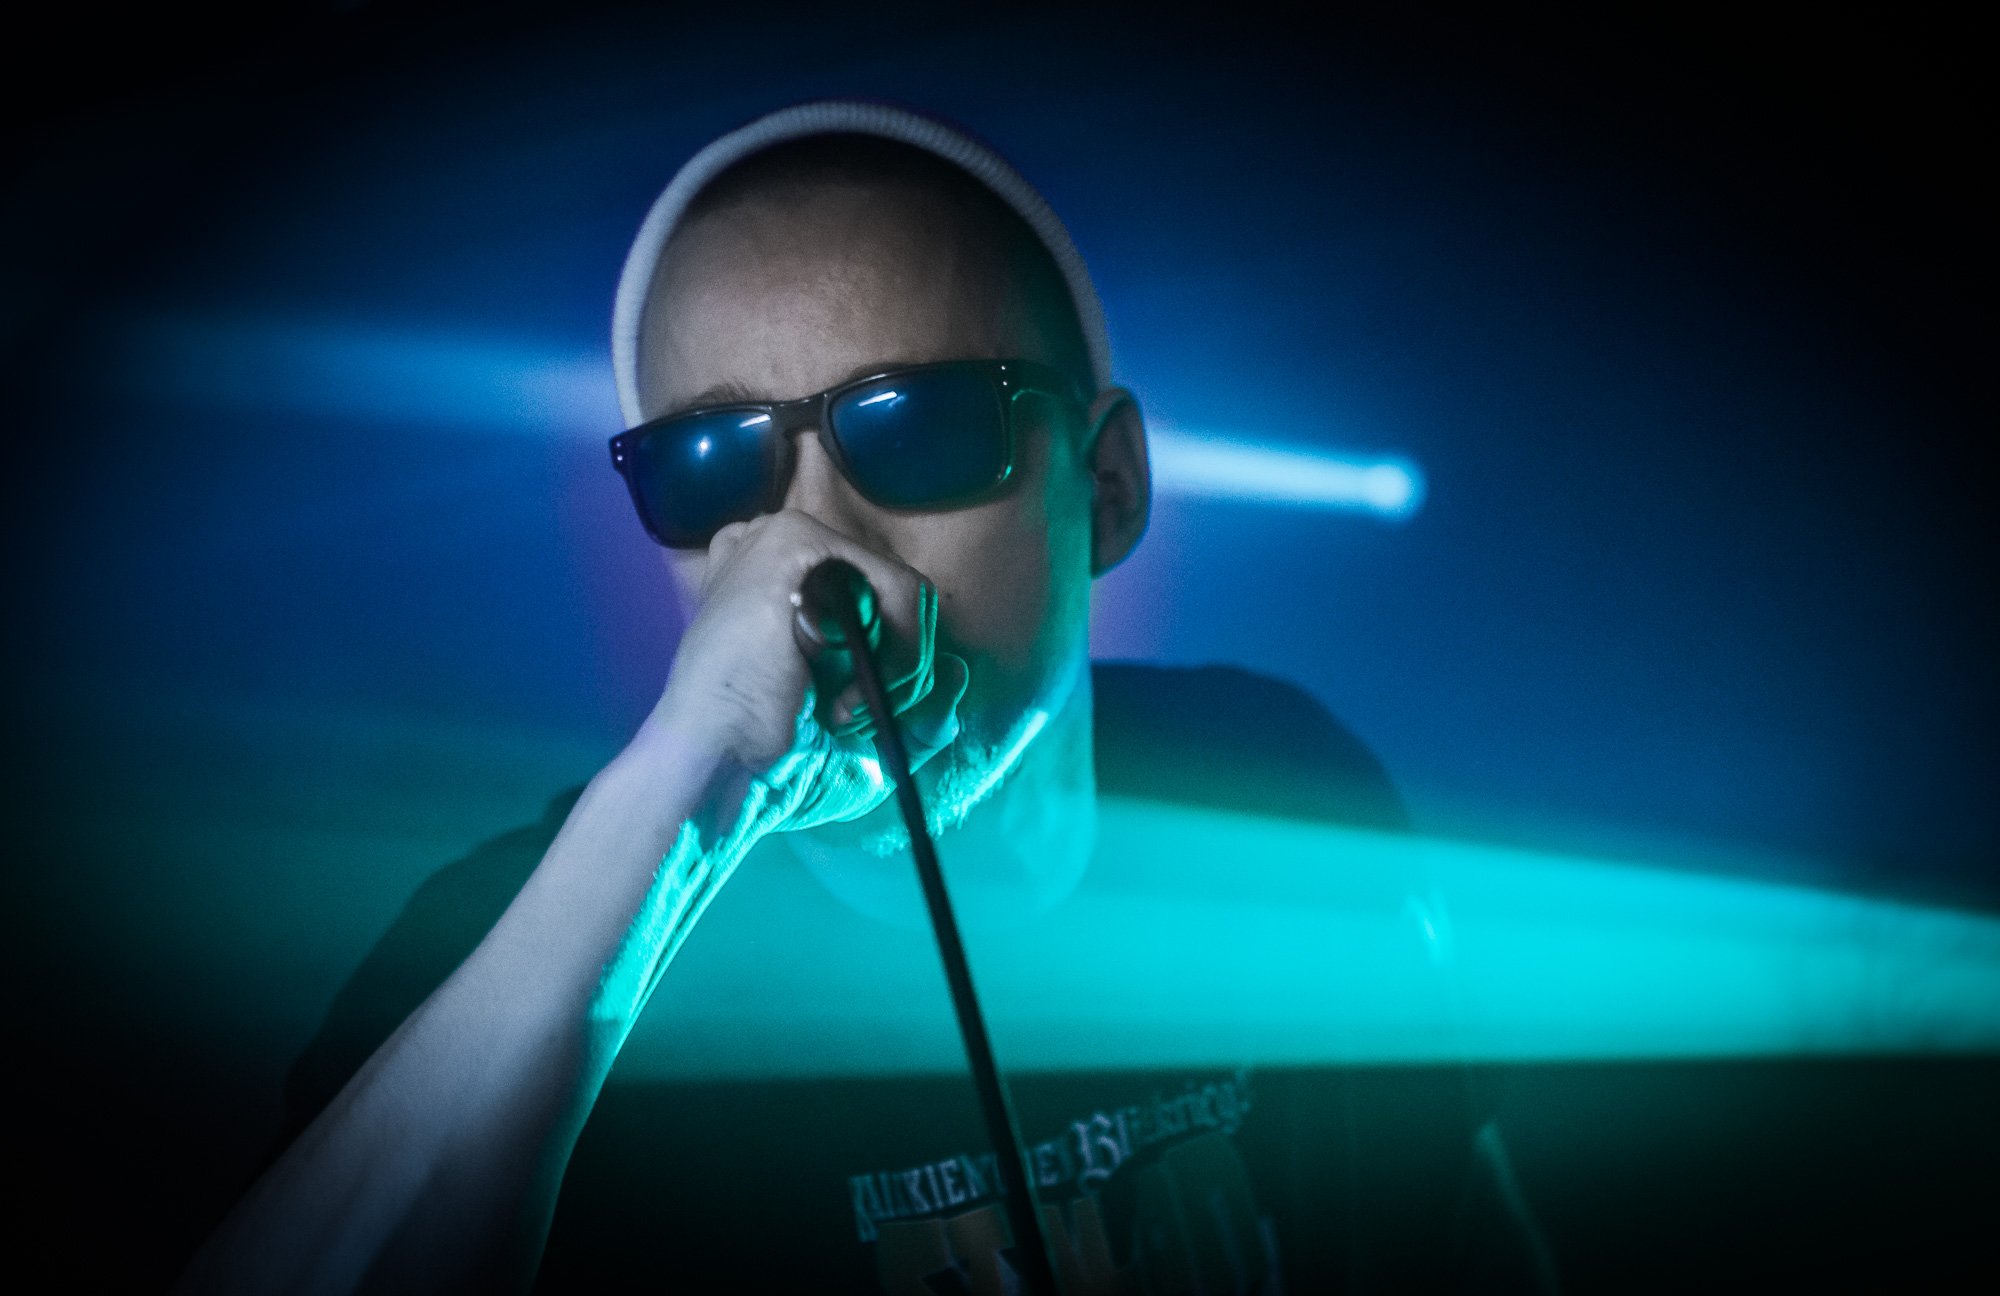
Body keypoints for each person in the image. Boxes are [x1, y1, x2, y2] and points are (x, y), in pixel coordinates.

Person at [181, 101, 1557, 1294]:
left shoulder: (1281, 781)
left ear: (1111, 485)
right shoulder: (507, 943)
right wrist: (683, 800)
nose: (812, 547)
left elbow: (1465, 1238)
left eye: (918, 425)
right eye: (712, 468)